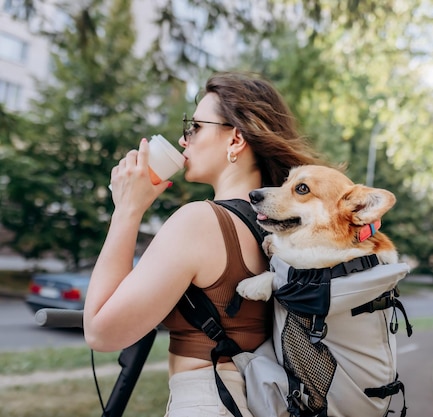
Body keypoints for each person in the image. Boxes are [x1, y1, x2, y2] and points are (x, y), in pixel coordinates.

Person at [83, 71, 324, 416]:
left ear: (236, 139)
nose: (184, 140)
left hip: (207, 402)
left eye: (194, 127)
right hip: (260, 400)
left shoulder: (199, 222)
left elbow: (101, 332)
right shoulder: (281, 231)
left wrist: (127, 209)